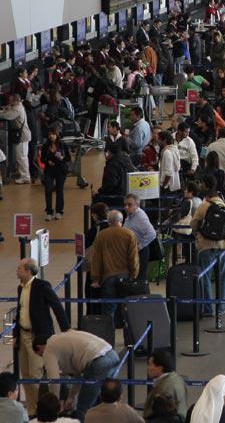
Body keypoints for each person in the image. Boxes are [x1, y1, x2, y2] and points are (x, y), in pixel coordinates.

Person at [15, 258, 69, 415]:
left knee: (36, 374)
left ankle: (44, 410)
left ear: (28, 271)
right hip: (23, 334)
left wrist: (66, 330)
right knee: (25, 374)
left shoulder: (42, 286)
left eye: (19, 268)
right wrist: (15, 337)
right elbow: (20, 313)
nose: (17, 270)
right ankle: (32, 410)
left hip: (37, 337)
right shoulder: (21, 288)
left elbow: (57, 306)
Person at [33, 329, 120, 422]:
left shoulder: (48, 349)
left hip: (98, 362)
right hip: (112, 355)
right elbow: (78, 374)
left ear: (39, 347)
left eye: (41, 355)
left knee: (83, 407)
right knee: (101, 404)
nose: (44, 358)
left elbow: (54, 380)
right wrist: (71, 396)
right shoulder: (64, 338)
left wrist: (54, 405)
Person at [191, 178, 225, 316]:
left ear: (207, 196)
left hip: (206, 246)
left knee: (206, 278)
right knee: (223, 278)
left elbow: (193, 224)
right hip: (223, 248)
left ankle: (208, 308)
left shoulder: (203, 206)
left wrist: (198, 235)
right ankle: (223, 307)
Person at [90, 209, 139, 319]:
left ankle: (108, 334)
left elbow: (96, 259)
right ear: (121, 220)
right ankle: (129, 333)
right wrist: (133, 275)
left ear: (108, 221)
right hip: (125, 276)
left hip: (107, 277)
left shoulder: (101, 235)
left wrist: (95, 279)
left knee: (108, 311)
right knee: (128, 309)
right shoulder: (129, 234)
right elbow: (133, 258)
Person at [142, 351, 188, 420]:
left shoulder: (164, 390)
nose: (147, 368)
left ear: (160, 368)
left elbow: (159, 415)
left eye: (150, 364)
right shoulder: (177, 379)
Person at [123, 194, 157, 281]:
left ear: (137, 205)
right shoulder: (130, 215)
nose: (126, 207)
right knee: (134, 277)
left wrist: (139, 247)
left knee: (140, 278)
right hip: (133, 250)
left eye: (129, 204)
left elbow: (152, 234)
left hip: (141, 251)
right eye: (125, 204)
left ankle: (143, 294)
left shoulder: (140, 216)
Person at [0, 93, 32, 183]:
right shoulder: (17, 106)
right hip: (22, 135)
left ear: (16, 100)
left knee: (21, 157)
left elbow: (8, 116)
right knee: (21, 156)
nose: (9, 102)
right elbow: (8, 109)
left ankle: (25, 176)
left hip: (22, 136)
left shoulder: (18, 109)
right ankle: (23, 174)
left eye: (11, 100)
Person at [40, 128, 70, 220]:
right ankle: (49, 211)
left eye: (53, 134)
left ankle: (59, 211)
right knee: (48, 190)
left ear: (56, 135)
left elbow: (68, 158)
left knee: (59, 191)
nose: (51, 136)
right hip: (49, 170)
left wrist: (62, 158)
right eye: (49, 134)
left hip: (60, 170)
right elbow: (42, 158)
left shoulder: (62, 145)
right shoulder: (45, 146)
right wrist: (47, 161)